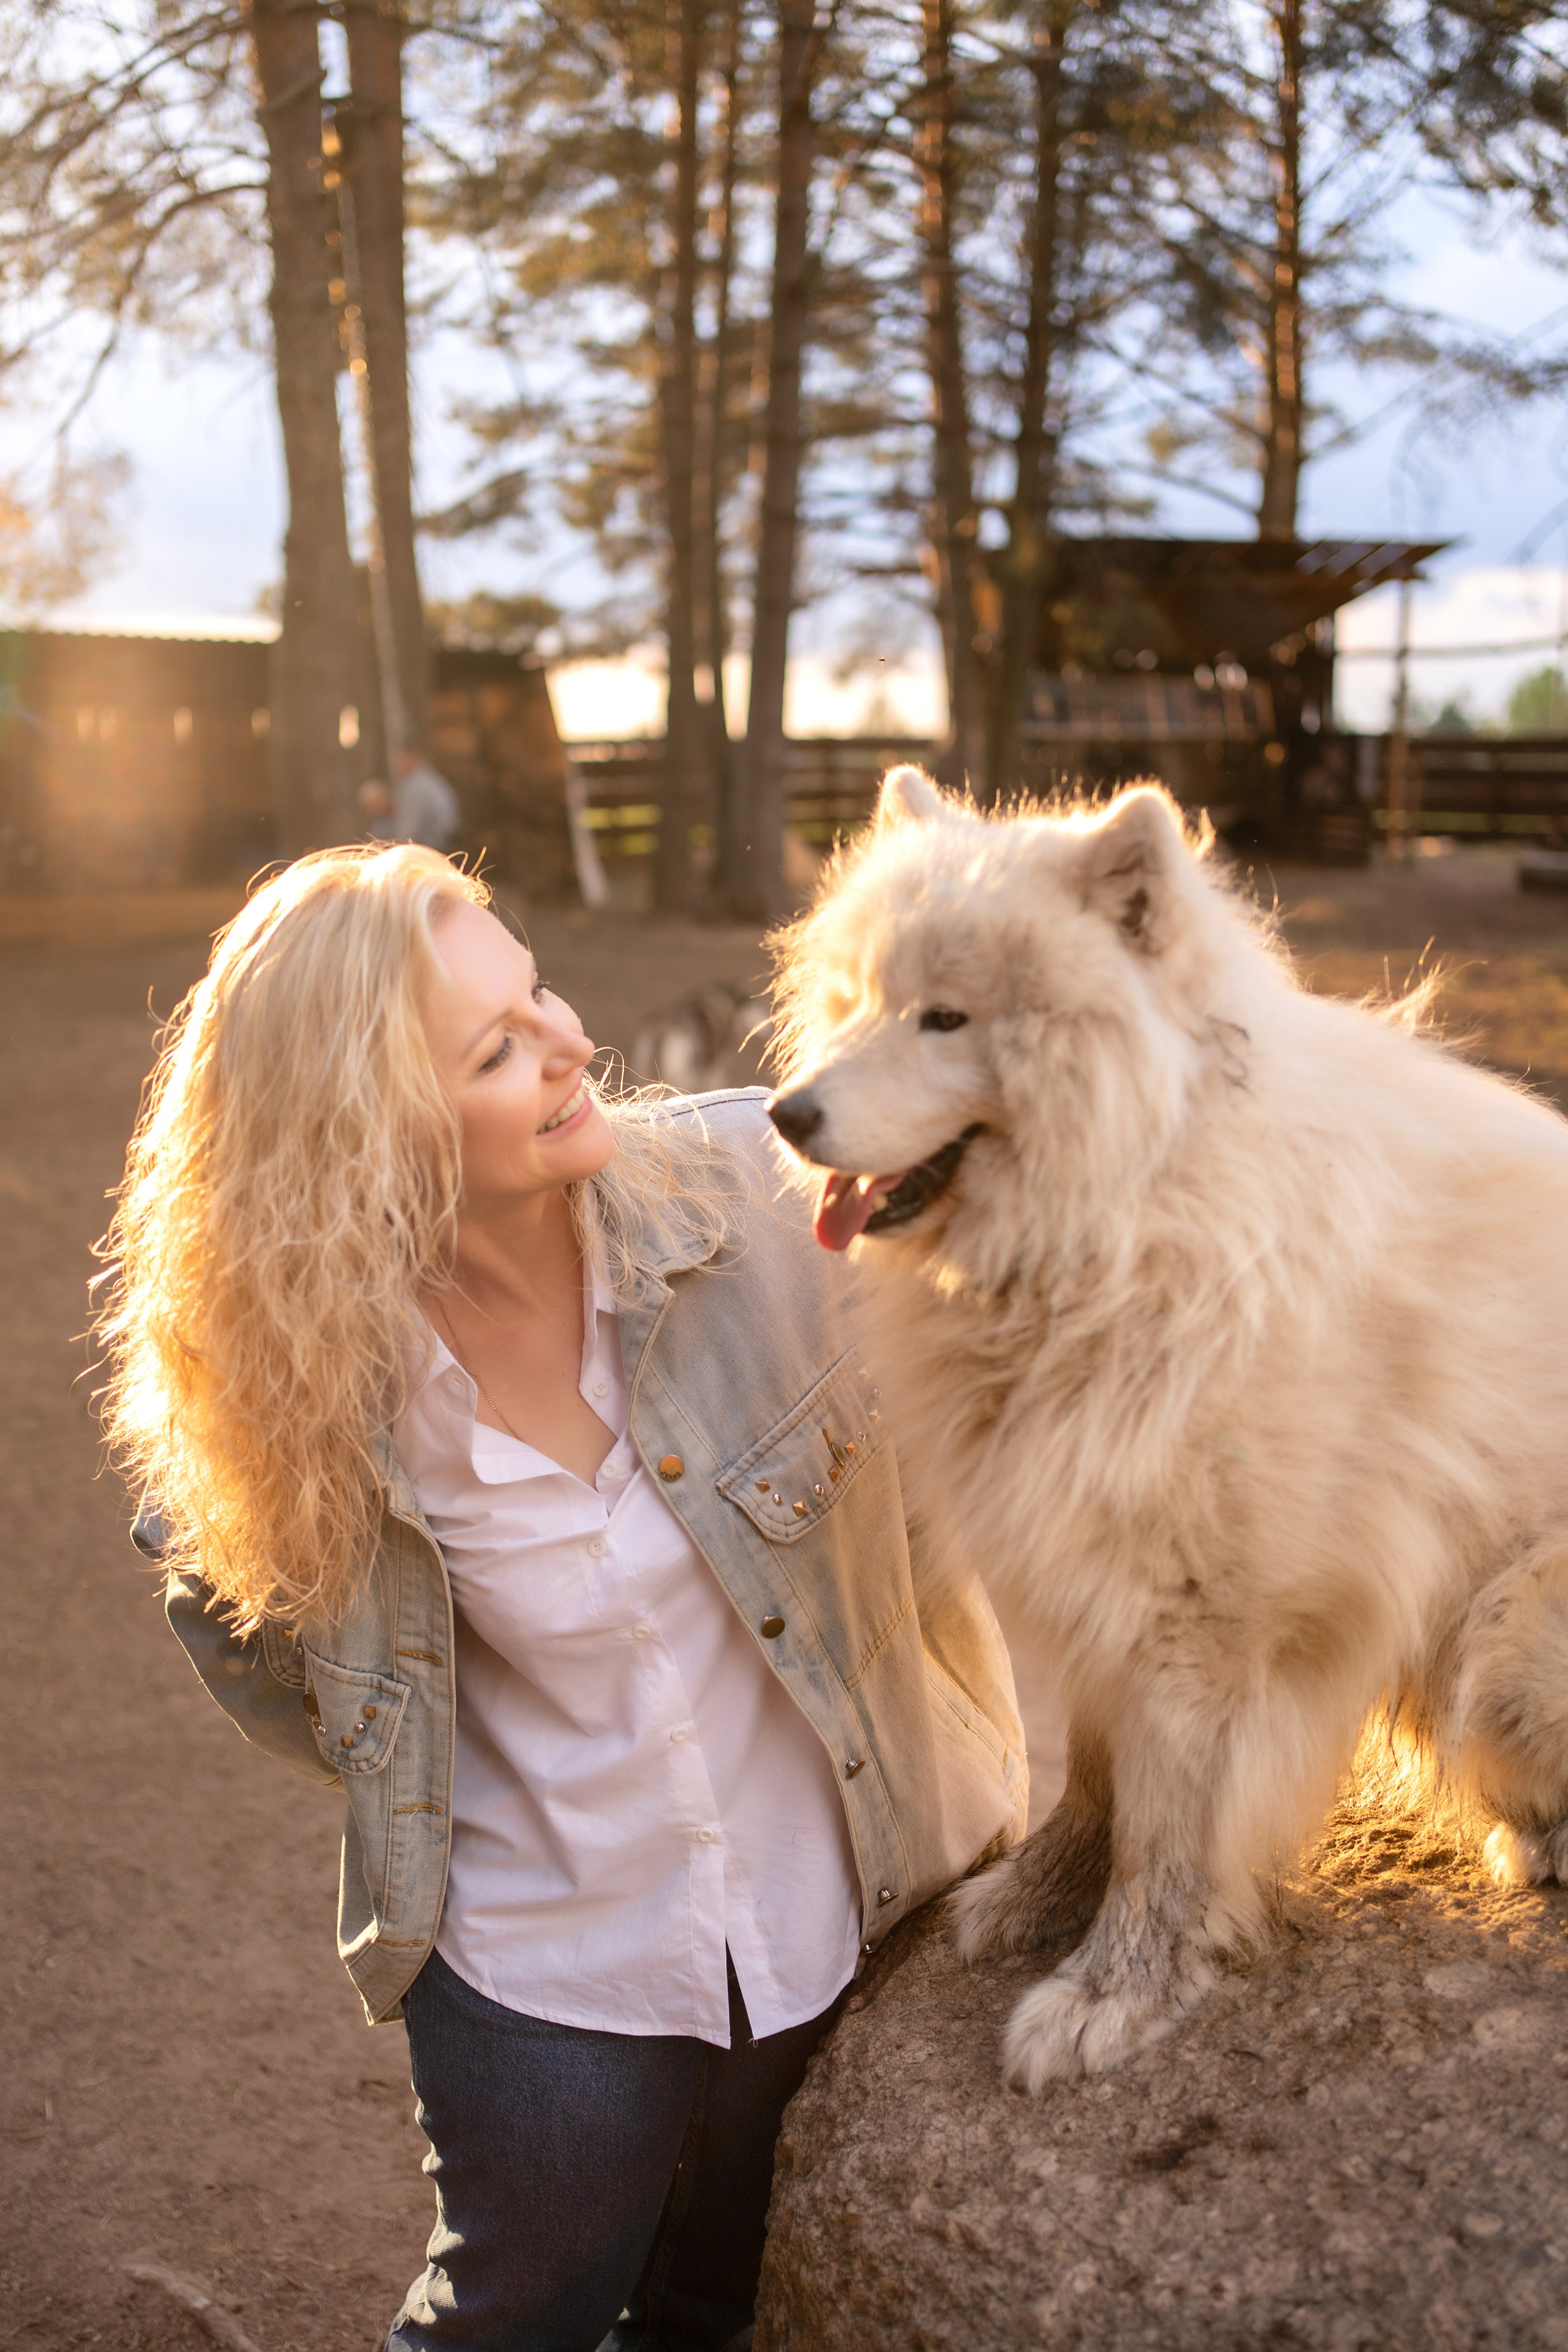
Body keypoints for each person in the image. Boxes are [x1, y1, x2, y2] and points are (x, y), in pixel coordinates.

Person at [97, 844, 1027, 2352]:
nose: (574, 1044)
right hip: (547, 1981)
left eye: (539, 995)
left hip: (838, 1916)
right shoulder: (303, 1377)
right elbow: (232, 1611)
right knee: (513, 2318)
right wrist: (424, 1761)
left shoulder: (773, 1202)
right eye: (498, 1049)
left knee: (719, 2310)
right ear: (369, 1130)